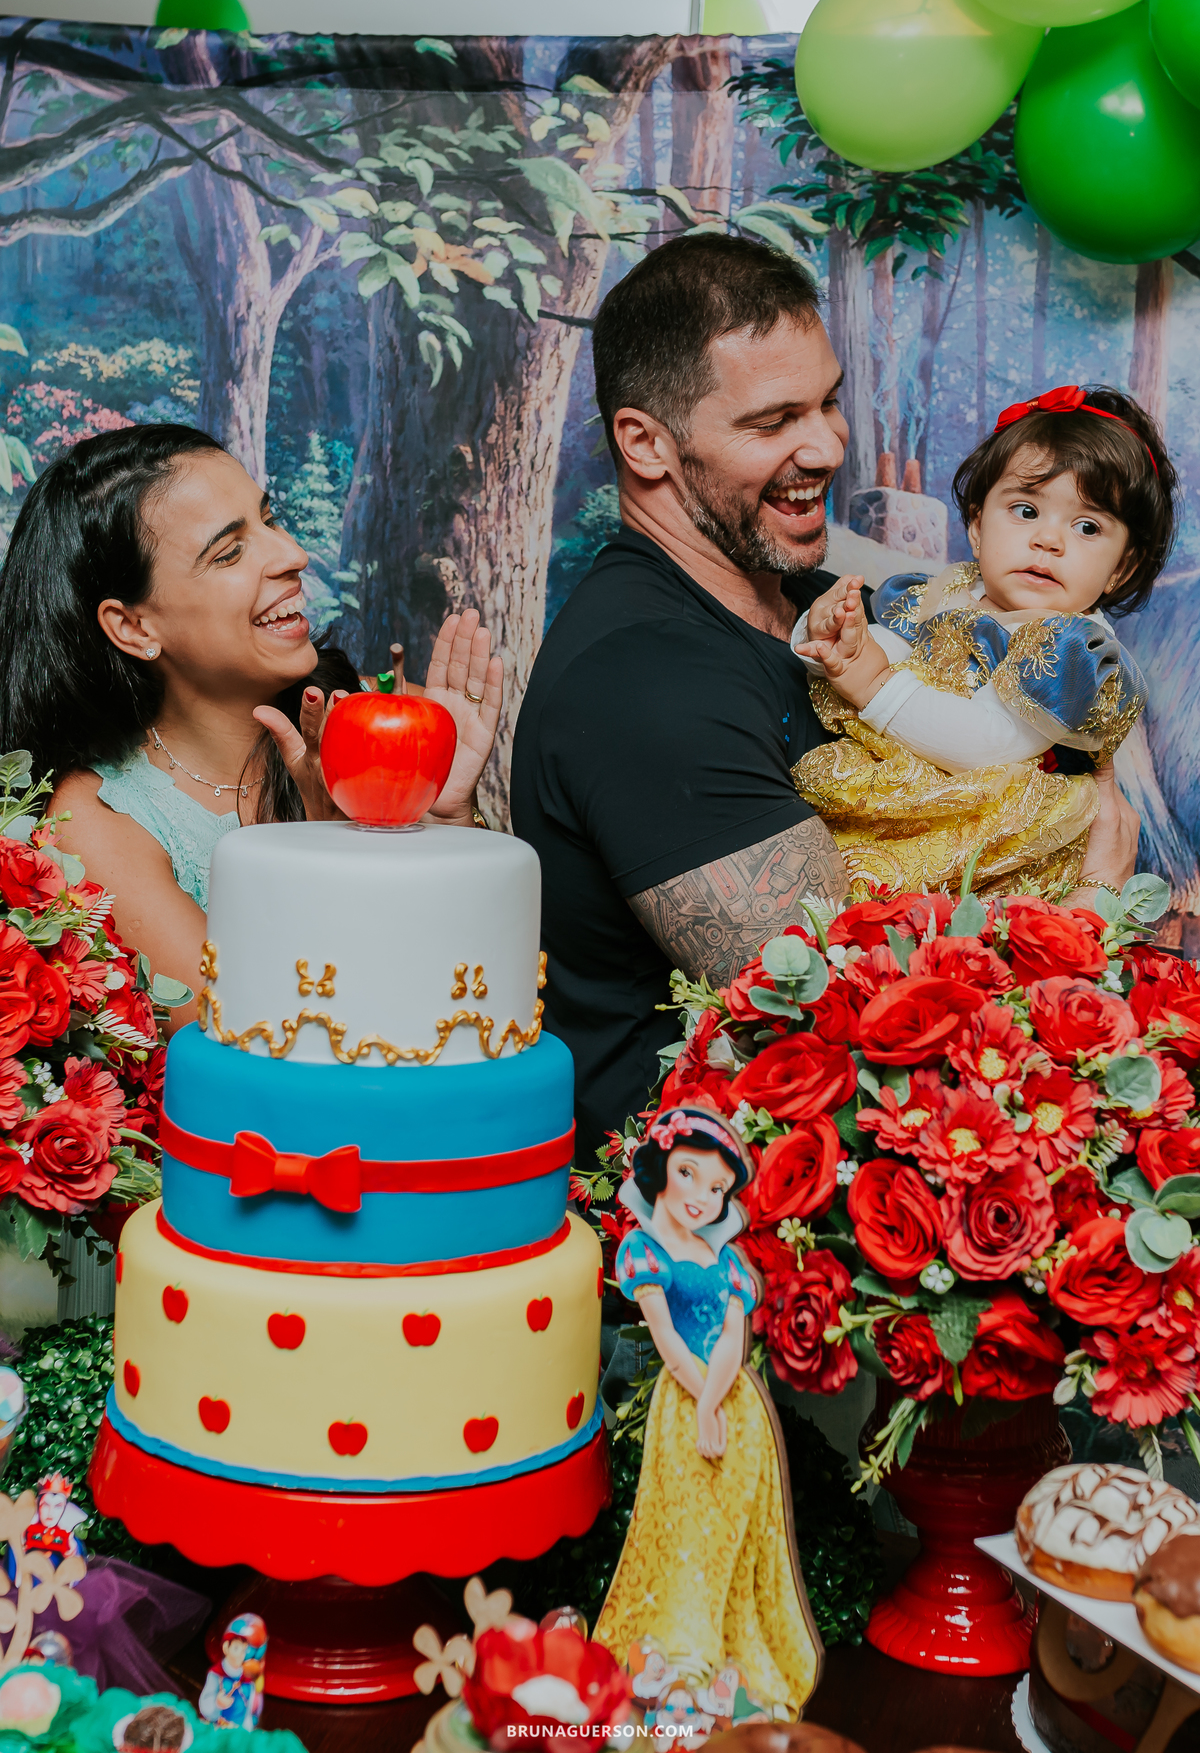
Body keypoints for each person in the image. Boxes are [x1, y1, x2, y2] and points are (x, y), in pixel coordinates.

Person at [510, 237, 1140, 1160]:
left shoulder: (822, 609)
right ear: (645, 442)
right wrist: (1087, 917)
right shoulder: (644, 678)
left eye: (829, 401)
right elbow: (837, 1022)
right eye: (773, 422)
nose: (828, 445)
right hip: (715, 1230)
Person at [0, 427, 502, 1017]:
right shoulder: (94, 824)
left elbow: (487, 992)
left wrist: (451, 822)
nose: (292, 555)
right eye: (230, 551)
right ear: (135, 627)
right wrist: (334, 846)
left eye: (270, 519)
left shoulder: (381, 718)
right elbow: (264, 1036)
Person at [792, 384, 1171, 899]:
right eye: (1026, 511)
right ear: (976, 526)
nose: (1048, 540)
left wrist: (874, 681)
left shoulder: (1071, 646)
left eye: (1086, 526)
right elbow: (886, 645)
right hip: (911, 798)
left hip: (999, 842)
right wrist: (830, 637)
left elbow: (991, 745)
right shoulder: (942, 591)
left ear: (1121, 566)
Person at [592, 1103, 820, 1720]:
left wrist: (717, 1403)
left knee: (741, 1526)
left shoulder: (726, 1263)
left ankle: (729, 1655)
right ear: (661, 1169)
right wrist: (698, 1405)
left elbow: (732, 1336)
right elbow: (666, 1338)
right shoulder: (644, 1252)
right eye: (690, 1174)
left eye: (717, 1187)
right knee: (683, 1521)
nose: (702, 1196)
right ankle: (678, 1650)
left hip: (735, 1403)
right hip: (682, 1399)